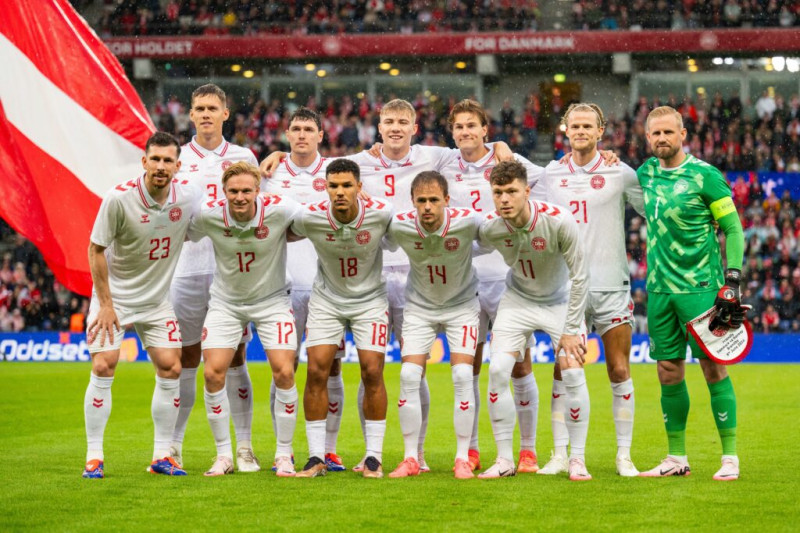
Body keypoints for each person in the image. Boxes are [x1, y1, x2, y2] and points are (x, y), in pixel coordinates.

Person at [82, 132, 199, 478]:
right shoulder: (118, 199)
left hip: (156, 300)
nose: (161, 166)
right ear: (144, 161)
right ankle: (94, 456)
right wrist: (105, 304)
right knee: (104, 366)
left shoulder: (187, 197)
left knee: (171, 367)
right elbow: (95, 250)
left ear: (178, 166)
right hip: (113, 299)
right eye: (155, 159)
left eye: (168, 161)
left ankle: (162, 455)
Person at [637, 106, 745, 481]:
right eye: (655, 134)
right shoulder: (644, 173)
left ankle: (729, 457)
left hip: (701, 288)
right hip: (659, 290)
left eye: (669, 132)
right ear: (647, 137)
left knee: (713, 367)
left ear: (683, 134)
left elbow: (733, 229)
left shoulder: (705, 176)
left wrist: (731, 281)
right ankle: (676, 457)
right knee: (668, 370)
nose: (662, 139)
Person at [442, 99, 546, 473]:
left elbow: (549, 179)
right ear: (451, 133)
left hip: (504, 277)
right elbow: (396, 159)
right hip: (463, 277)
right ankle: (470, 449)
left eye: (472, 125)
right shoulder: (441, 163)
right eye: (459, 127)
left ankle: (528, 450)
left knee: (518, 364)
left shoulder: (508, 163)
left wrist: (507, 149)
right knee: (467, 367)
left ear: (486, 129)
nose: (465, 132)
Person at [541, 103, 644, 477]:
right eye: (575, 125)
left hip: (611, 284)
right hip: (566, 289)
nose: (581, 131)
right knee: (561, 370)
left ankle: (624, 456)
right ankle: (561, 453)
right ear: (564, 129)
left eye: (589, 126)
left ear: (601, 131)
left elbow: (652, 208)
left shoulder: (620, 171)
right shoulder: (550, 174)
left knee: (618, 369)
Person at [478, 160, 591, 480]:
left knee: (571, 374)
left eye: (511, 191)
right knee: (498, 371)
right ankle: (504, 460)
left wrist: (571, 330)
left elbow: (581, 276)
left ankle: (576, 459)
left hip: (560, 300)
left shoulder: (559, 221)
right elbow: (466, 246)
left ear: (527, 191)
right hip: (518, 300)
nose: (504, 199)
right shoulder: (491, 227)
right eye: (497, 192)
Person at [169, 84, 261, 472]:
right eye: (199, 108)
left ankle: (244, 447)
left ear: (226, 113)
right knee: (186, 359)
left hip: (231, 272)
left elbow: (262, 209)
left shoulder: (243, 157)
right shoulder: (176, 158)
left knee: (236, 357)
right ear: (190, 115)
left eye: (212, 108)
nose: (205, 114)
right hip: (185, 269)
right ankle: (172, 447)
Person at [188, 162, 300, 477]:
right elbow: (180, 232)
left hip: (272, 301)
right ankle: (225, 454)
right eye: (233, 191)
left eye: (246, 191)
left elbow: (314, 222)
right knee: (212, 374)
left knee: (284, 372)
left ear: (257, 191)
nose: (240, 197)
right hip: (226, 303)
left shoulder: (280, 209)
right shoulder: (209, 215)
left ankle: (283, 454)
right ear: (224, 192)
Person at [290, 159, 393, 478]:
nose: (340, 192)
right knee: (317, 370)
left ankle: (373, 456)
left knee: (372, 371)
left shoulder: (382, 213)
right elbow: (276, 233)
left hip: (370, 301)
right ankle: (315, 456)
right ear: (325, 187)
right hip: (327, 301)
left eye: (347, 185)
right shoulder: (310, 216)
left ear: (359, 188)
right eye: (333, 186)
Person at [261, 107, 346, 472]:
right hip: (280, 283)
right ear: (286, 133)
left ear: (320, 135)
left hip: (325, 284)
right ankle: (284, 448)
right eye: (295, 129)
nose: (301, 135)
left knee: (331, 367)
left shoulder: (337, 173)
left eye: (308, 129)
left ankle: (328, 448)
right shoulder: (270, 173)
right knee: (285, 367)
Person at [385, 171, 482, 479]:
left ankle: (462, 458)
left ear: (447, 201)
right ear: (412, 201)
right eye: (421, 201)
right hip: (420, 308)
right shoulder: (399, 224)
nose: (427, 206)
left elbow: (499, 233)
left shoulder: (468, 221)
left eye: (434, 200)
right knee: (409, 374)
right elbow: (375, 234)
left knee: (464, 374)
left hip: (462, 307)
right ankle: (411, 458)